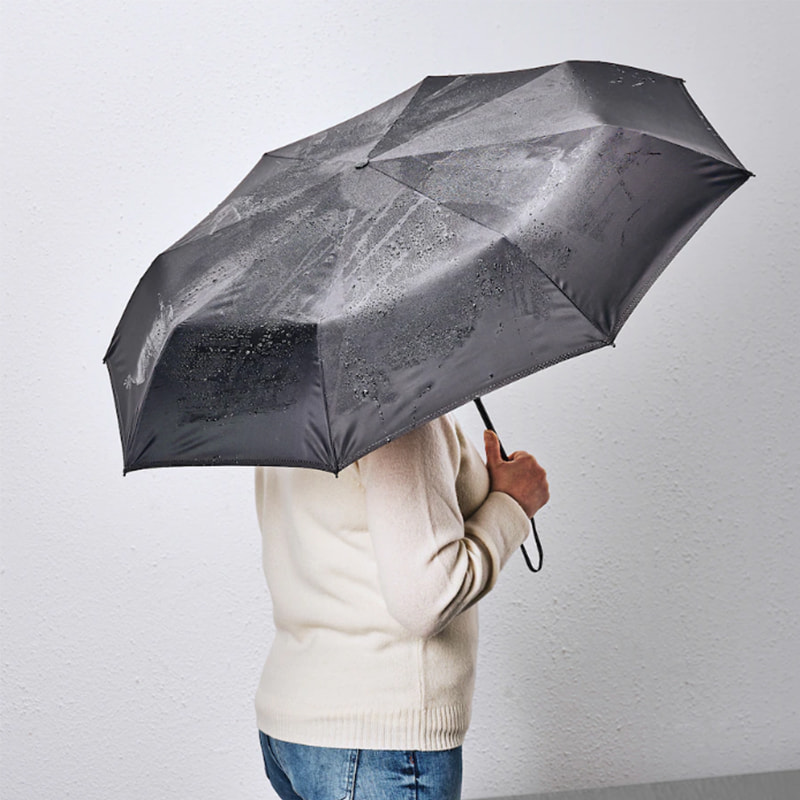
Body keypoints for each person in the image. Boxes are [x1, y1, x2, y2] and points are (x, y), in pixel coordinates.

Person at [254, 413, 549, 799]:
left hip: (294, 728)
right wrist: (511, 505)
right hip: (379, 741)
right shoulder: (397, 408)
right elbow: (427, 598)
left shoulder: (292, 407)